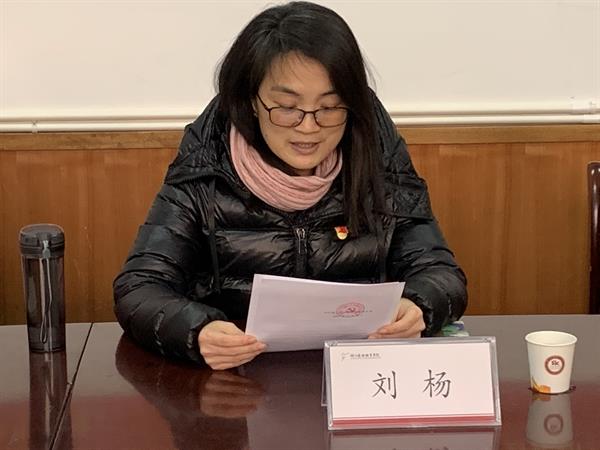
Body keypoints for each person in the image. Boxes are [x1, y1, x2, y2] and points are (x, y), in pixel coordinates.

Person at [113, 1, 467, 370]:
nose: (309, 127)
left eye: (330, 107)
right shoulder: (207, 165)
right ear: (251, 101)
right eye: (286, 107)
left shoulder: (378, 157)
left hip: (358, 374)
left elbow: (442, 274)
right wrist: (198, 331)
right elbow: (140, 287)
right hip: (239, 378)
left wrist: (418, 305)